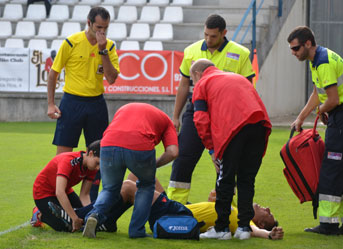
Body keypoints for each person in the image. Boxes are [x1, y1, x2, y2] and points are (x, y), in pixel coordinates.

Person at [167, 14, 255, 205]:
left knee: (226, 162)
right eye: (206, 35)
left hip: (226, 114)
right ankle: (175, 204)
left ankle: (224, 208)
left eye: (213, 36)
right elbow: (183, 85)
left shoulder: (241, 53)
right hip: (196, 109)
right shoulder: (191, 51)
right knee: (183, 156)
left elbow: (248, 87)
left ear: (224, 33)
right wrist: (175, 117)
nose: (208, 40)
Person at [287, 26, 343, 236]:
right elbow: (318, 94)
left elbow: (333, 99)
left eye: (295, 48)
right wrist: (301, 117)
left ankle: (328, 225)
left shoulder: (323, 61)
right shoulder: (317, 60)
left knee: (330, 170)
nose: (293, 53)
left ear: (308, 44)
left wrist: (320, 112)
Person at [190, 59, 272, 240]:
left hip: (233, 129)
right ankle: (243, 228)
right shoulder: (237, 77)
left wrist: (212, 150)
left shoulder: (202, 83)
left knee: (225, 179)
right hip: (259, 125)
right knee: (246, 179)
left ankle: (221, 229)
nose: (193, 84)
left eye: (192, 80)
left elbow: (200, 120)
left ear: (197, 74)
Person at [49, 179, 284, 240]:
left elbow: (255, 232)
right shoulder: (233, 211)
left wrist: (270, 234)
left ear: (261, 222)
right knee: (135, 180)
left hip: (178, 214)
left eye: (267, 212)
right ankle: (104, 221)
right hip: (180, 208)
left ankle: (80, 217)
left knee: (129, 187)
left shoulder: (245, 223)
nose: (266, 207)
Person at [47, 7, 120, 202]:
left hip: (96, 103)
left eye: (105, 28)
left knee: (99, 156)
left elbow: (112, 79)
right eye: (98, 27)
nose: (101, 32)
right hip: (71, 102)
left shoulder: (110, 46)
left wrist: (103, 50)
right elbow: (53, 73)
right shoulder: (71, 42)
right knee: (62, 155)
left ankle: (92, 202)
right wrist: (51, 104)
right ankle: (54, 200)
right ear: (88, 23)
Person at [82, 103, 179, 239]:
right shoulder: (168, 122)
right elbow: (173, 152)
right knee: (146, 186)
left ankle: (94, 215)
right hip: (139, 145)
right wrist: (153, 165)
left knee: (109, 189)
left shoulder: (123, 108)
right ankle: (136, 230)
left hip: (108, 143)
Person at [31, 140, 100, 232]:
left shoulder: (92, 168)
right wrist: (74, 218)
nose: (98, 168)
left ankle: (62, 212)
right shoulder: (68, 161)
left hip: (65, 191)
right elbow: (59, 192)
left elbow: (85, 195)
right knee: (65, 227)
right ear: (90, 153)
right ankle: (39, 214)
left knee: (81, 216)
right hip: (44, 192)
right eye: (97, 163)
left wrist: (89, 214)